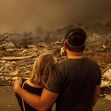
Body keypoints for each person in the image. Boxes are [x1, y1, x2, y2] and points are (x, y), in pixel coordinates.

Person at [14, 28, 101, 111]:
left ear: (65, 45)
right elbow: (94, 99)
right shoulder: (94, 66)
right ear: (84, 46)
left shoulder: (59, 69)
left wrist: (18, 89)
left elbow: (43, 106)